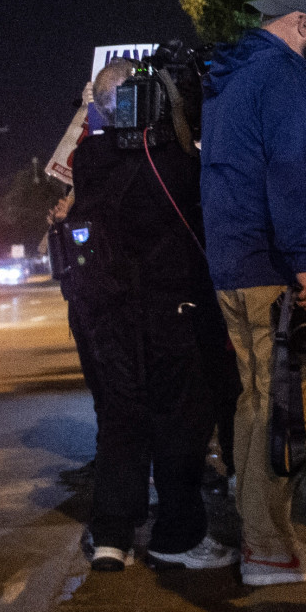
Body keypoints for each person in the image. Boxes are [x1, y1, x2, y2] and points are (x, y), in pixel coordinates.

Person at [201, 0, 306, 587]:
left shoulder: (227, 78)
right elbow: (291, 173)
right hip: (273, 268)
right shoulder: (287, 78)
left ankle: (258, 535)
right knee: (288, 405)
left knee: (256, 400)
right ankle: (266, 550)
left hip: (230, 265)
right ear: (303, 25)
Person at [71, 59, 237, 572]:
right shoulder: (171, 159)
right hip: (171, 310)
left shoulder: (90, 158)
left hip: (109, 315)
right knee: (177, 422)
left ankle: (111, 537)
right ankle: (178, 535)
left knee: (119, 421)